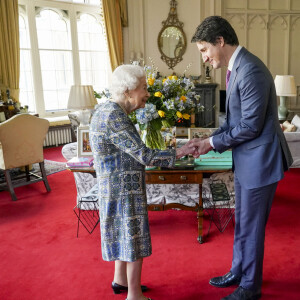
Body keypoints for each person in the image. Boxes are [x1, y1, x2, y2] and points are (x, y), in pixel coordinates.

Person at [189, 16, 293, 300]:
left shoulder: (251, 71)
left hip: (261, 162)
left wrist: (211, 143)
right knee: (243, 222)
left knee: (252, 227)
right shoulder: (236, 68)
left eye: (204, 50)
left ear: (220, 41)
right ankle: (238, 270)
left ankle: (250, 287)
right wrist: (206, 138)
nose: (204, 58)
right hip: (248, 160)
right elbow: (234, 120)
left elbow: (249, 126)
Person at [89, 64, 193, 300]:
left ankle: (120, 281)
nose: (147, 93)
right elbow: (145, 155)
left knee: (122, 234)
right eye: (144, 88)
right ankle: (134, 295)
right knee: (133, 237)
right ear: (128, 91)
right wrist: (181, 151)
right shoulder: (115, 117)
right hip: (124, 190)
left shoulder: (106, 110)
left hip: (113, 187)